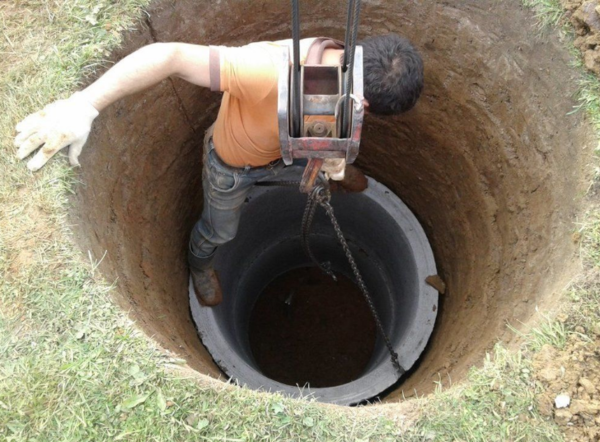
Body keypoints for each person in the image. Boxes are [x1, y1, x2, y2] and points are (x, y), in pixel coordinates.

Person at [14, 34, 424, 307]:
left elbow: (333, 124)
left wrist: (333, 160)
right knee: (220, 230)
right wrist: (85, 105)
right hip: (236, 166)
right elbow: (171, 56)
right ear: (364, 102)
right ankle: (201, 263)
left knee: (330, 162)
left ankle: (334, 172)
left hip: (294, 150)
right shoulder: (268, 70)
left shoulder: (344, 73)